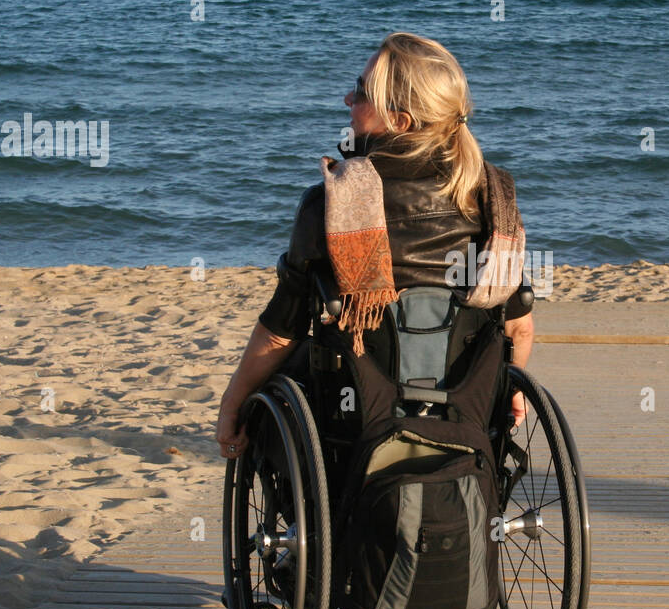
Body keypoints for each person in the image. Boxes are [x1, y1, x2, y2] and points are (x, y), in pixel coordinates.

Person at [216, 32, 535, 461]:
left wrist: (232, 403)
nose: (348, 98)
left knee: (276, 393)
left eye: (362, 91)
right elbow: (518, 326)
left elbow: (280, 330)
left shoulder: (332, 203)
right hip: (465, 414)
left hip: (356, 417)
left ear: (399, 120)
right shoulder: (494, 198)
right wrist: (509, 384)